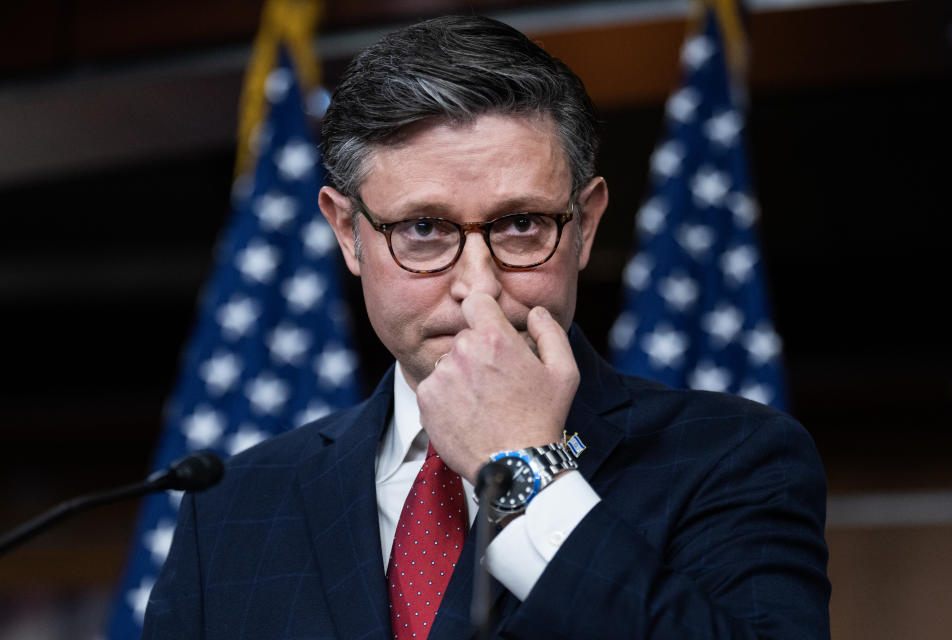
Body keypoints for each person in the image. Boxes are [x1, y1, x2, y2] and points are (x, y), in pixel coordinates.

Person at [143, 15, 830, 639]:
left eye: (522, 225)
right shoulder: (230, 508)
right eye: (423, 229)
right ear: (348, 233)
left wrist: (526, 471)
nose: (480, 286)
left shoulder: (737, 457)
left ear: (585, 224)